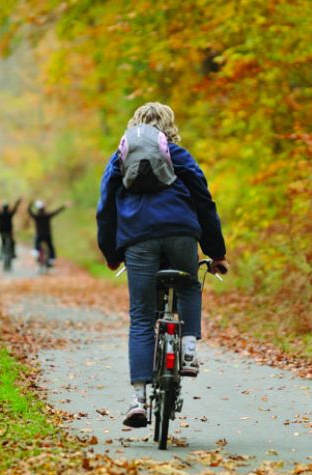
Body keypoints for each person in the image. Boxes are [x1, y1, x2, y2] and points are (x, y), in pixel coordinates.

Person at [96, 102, 228, 428]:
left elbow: (105, 209)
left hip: (138, 239)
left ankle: (138, 400)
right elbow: (203, 201)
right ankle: (187, 348)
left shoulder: (120, 158)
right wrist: (216, 252)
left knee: (142, 316)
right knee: (188, 283)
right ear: (168, 126)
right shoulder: (178, 155)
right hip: (182, 233)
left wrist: (111, 252)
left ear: (135, 126)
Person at [27, 200, 65, 266]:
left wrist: (30, 204)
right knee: (51, 246)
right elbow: (56, 212)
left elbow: (29, 212)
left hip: (39, 235)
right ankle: (52, 258)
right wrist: (64, 206)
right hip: (47, 234)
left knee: (36, 242)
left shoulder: (36, 216)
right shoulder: (47, 215)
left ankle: (36, 251)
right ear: (44, 208)